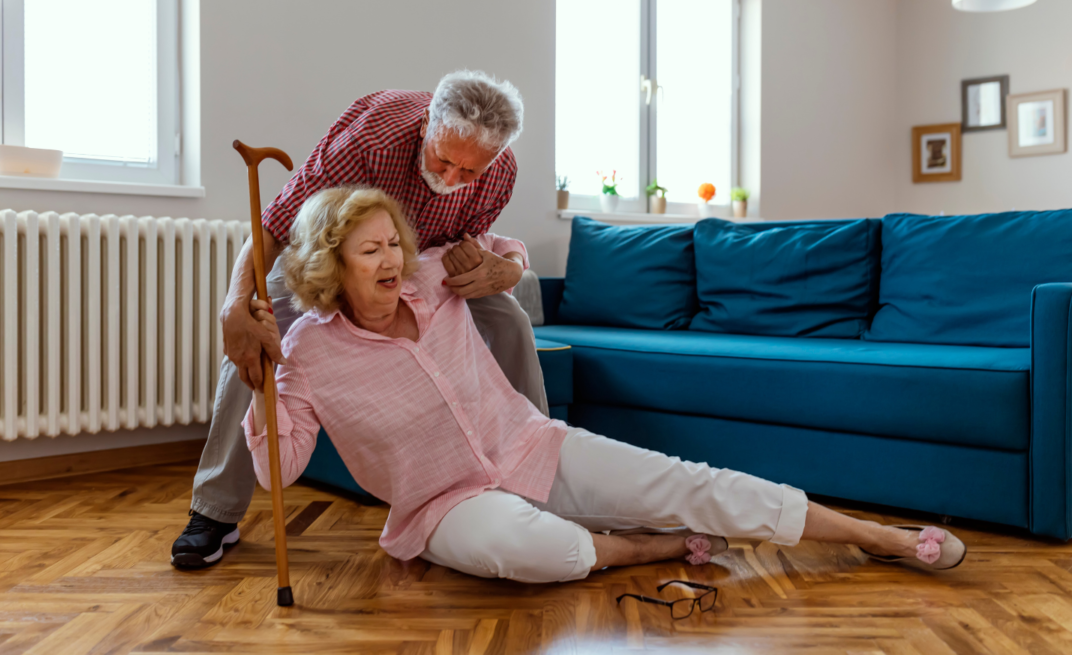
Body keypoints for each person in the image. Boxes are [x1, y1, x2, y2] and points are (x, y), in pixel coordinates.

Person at [240, 187, 967, 584]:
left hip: (530, 445)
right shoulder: (306, 353)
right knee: (541, 555)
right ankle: (651, 548)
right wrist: (262, 386)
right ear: (332, 266)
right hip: (442, 505)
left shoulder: (435, 274)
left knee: (692, 479)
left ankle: (881, 537)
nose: (393, 256)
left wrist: (506, 268)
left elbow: (509, 250)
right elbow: (278, 470)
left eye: (394, 239)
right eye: (371, 249)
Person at [171, 70, 543, 569]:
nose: (452, 180)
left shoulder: (499, 169)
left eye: (468, 173)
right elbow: (276, 224)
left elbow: (472, 240)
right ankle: (215, 510)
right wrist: (234, 304)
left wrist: (505, 268)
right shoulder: (374, 137)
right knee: (255, 330)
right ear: (429, 126)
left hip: (422, 263)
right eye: (444, 161)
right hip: (327, 259)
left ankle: (540, 471)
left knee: (512, 321)